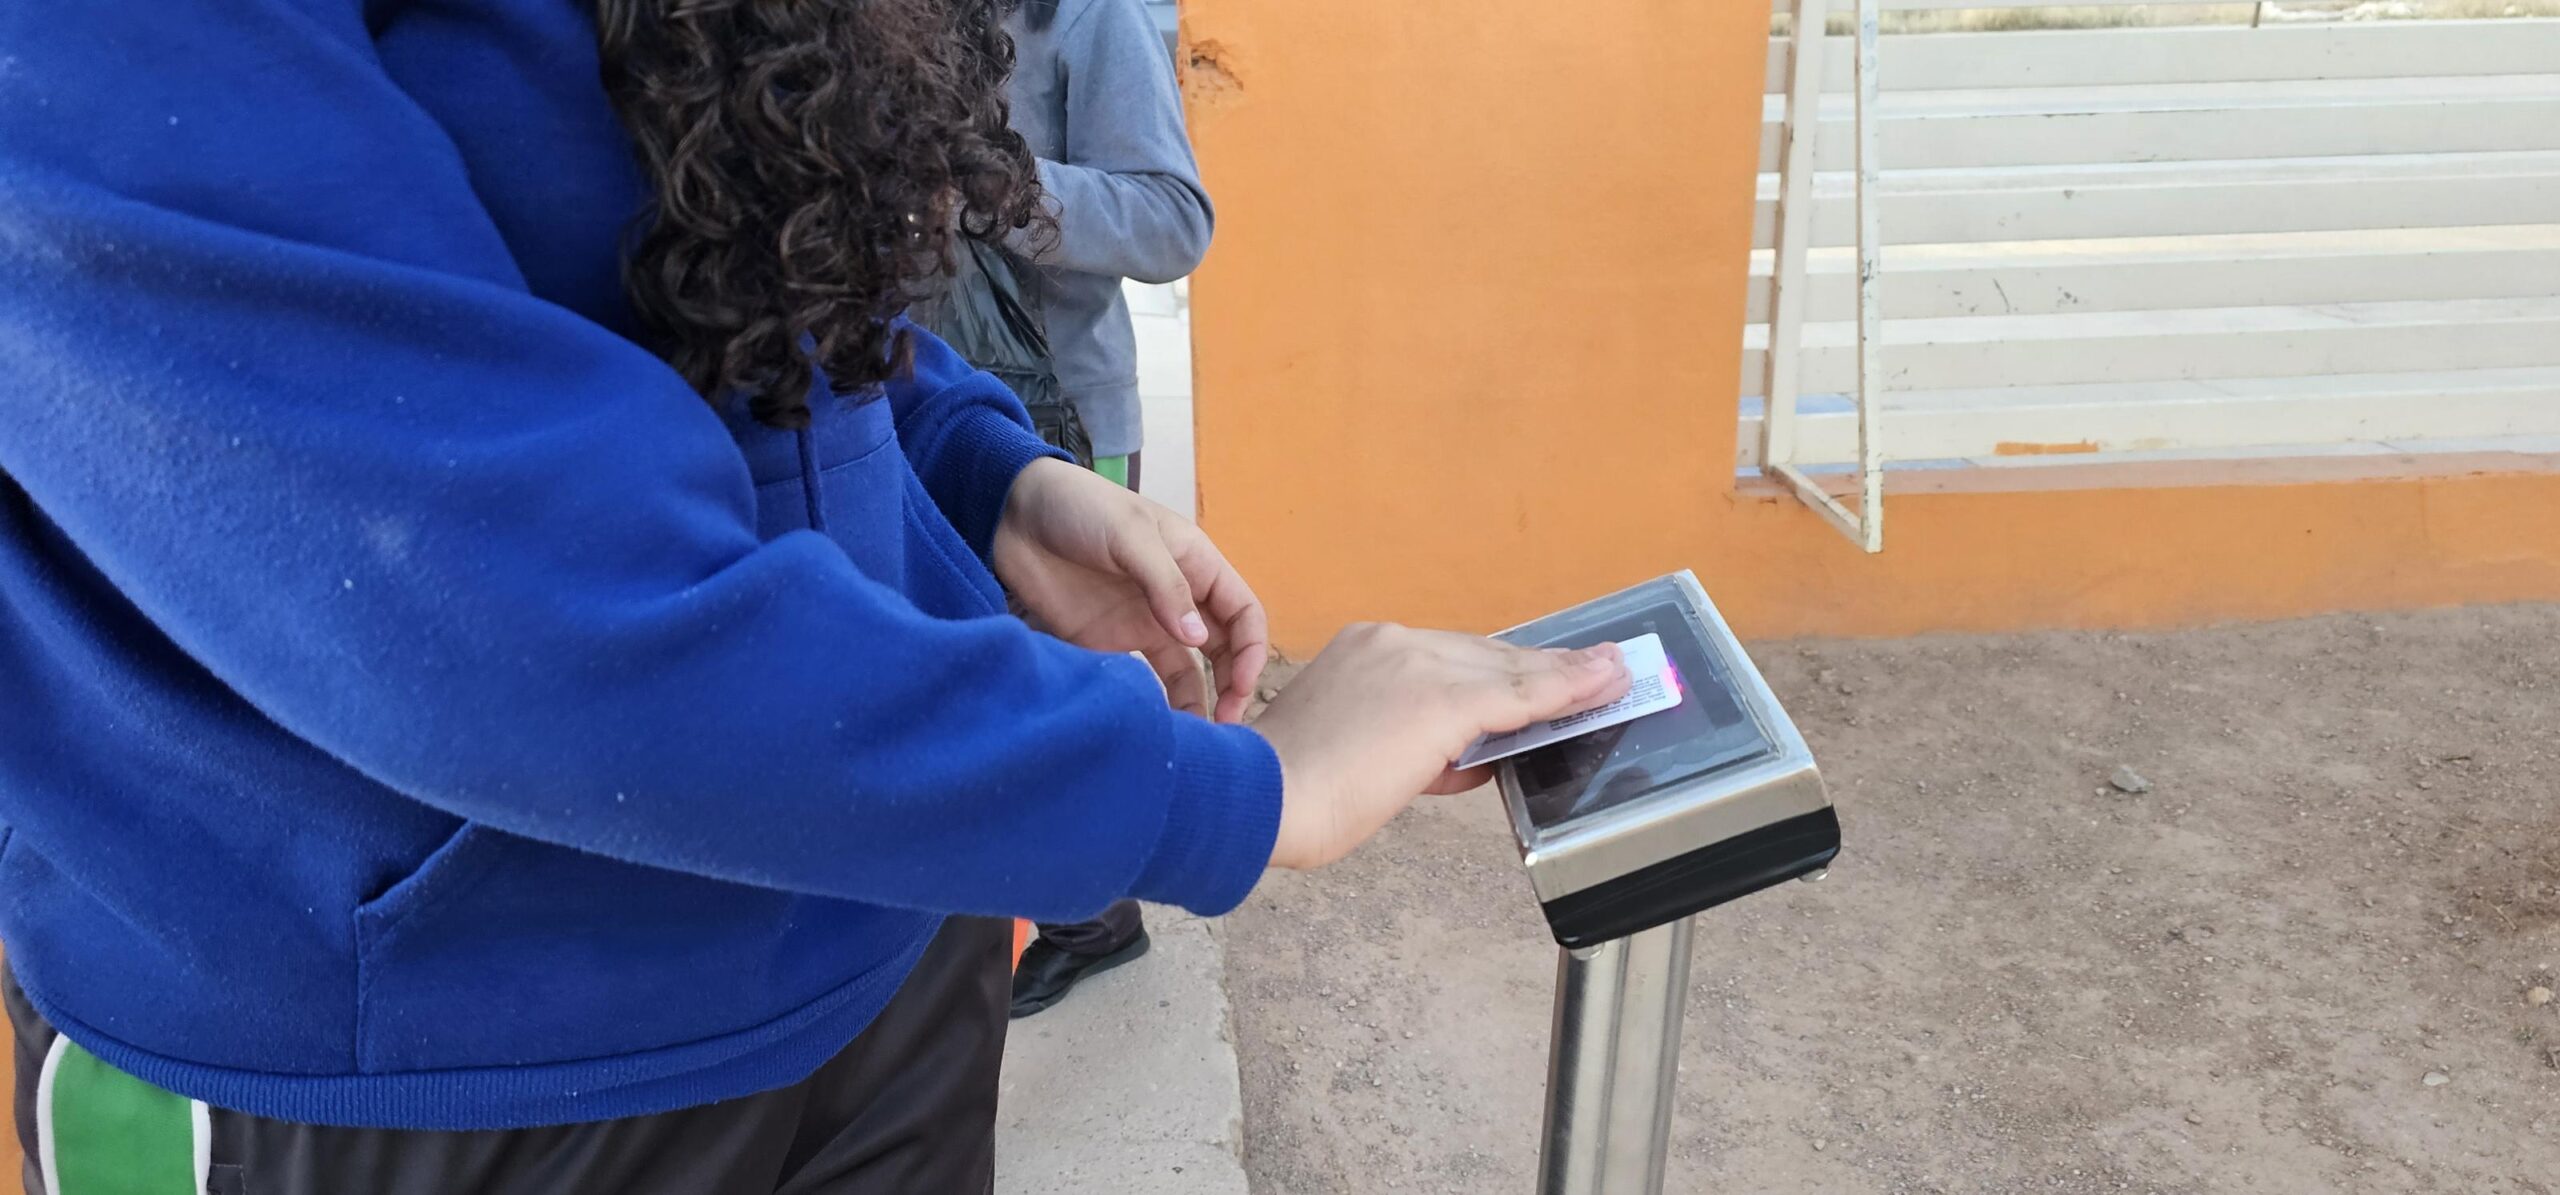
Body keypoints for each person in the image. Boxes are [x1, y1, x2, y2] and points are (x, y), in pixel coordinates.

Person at [0, 2, 1630, 1192]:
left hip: (874, 937)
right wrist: (1234, 790)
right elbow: (489, 605)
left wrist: (975, 470)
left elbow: (732, 236)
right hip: (445, 1060)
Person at [920, 0, 1219, 1020]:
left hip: (1061, 413)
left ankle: (1093, 923)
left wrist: (1002, 188)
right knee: (976, 682)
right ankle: (1066, 910)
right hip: (928, 408)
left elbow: (1175, 220)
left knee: (1055, 683)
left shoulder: (1092, 17)